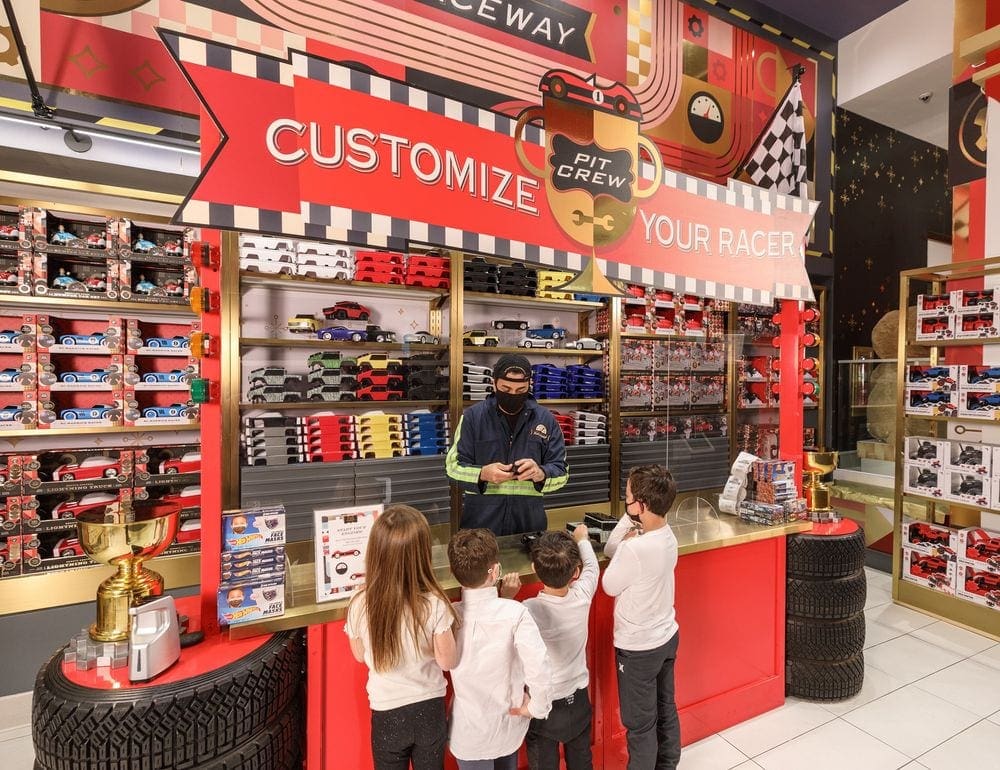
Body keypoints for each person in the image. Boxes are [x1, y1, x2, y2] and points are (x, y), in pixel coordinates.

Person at [345, 504, 459, 770]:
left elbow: (359, 655)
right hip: (429, 711)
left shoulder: (359, 603)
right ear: (422, 554)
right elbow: (447, 662)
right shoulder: (435, 604)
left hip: (386, 712)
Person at [447, 528, 552, 769]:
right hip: (509, 726)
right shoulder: (515, 613)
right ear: (495, 572)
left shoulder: (450, 617)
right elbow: (539, 666)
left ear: (454, 573)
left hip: (469, 734)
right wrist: (537, 707)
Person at [602, 465, 681, 770]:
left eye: (628, 497)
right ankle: (668, 765)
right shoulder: (666, 534)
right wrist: (635, 517)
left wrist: (630, 523)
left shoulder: (635, 549)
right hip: (666, 638)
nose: (625, 501)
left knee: (640, 724)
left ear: (642, 505)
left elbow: (609, 584)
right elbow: (614, 549)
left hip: (638, 649)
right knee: (666, 708)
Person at [446, 353, 568, 535]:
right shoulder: (472, 418)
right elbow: (452, 468)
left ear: (529, 386)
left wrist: (541, 473)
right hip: (480, 524)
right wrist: (482, 474)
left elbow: (562, 472)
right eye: (506, 388)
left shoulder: (546, 420)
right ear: (494, 384)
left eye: (520, 390)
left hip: (529, 524)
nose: (513, 395)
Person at [522, 525, 598, 770]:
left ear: (534, 569)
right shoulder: (582, 596)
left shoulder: (527, 610)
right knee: (582, 763)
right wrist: (583, 539)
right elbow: (593, 567)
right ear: (575, 572)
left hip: (545, 708)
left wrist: (505, 594)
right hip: (579, 702)